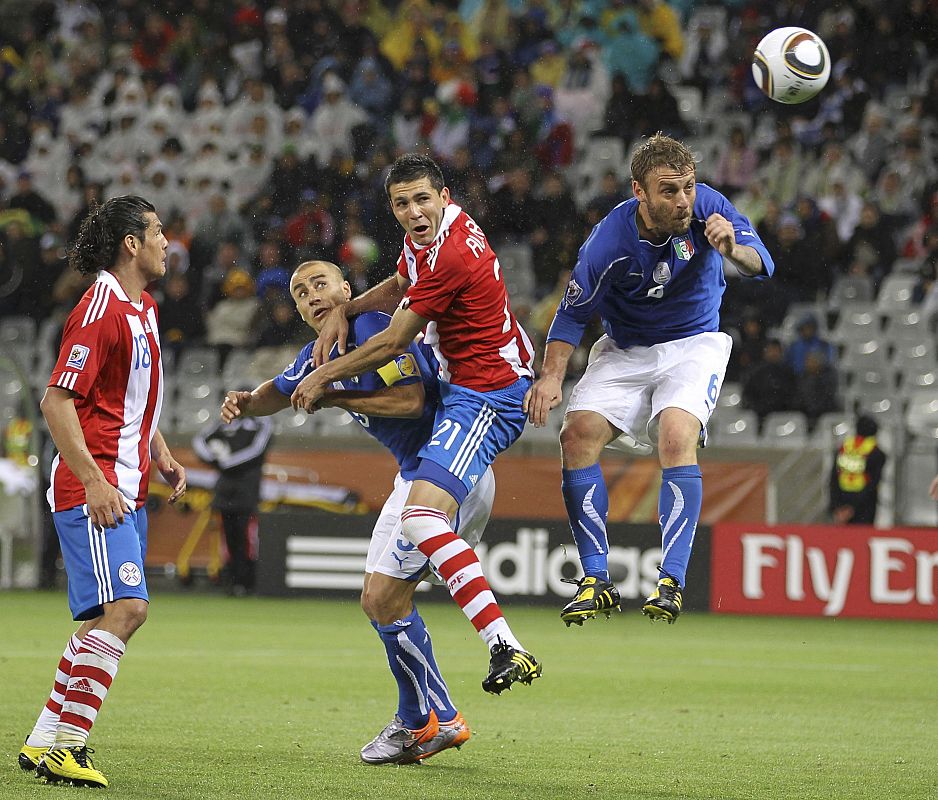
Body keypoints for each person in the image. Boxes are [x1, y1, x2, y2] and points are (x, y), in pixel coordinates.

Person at [221, 259, 492, 764]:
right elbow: (275, 395)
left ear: (346, 289)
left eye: (320, 284)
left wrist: (334, 394)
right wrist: (243, 400)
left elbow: (412, 401)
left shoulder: (373, 327)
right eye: (301, 292)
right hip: (412, 477)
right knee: (378, 599)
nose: (311, 296)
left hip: (450, 472)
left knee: (386, 597)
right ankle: (432, 719)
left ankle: (428, 720)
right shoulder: (315, 355)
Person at [299, 153, 541, 695]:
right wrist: (347, 306)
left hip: (489, 393)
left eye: (421, 200)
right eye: (402, 203)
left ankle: (506, 644)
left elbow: (392, 340)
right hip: (470, 389)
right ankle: (428, 715)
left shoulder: (450, 255)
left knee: (421, 516)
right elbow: (400, 283)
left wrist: (324, 381)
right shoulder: (430, 240)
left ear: (444, 197)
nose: (413, 211)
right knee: (389, 577)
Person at [525, 133, 774, 626]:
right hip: (626, 350)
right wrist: (551, 377)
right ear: (639, 192)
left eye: (687, 187)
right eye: (669, 191)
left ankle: (672, 579)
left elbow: (762, 264)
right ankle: (595, 578)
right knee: (575, 436)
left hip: (694, 343)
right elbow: (572, 315)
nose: (683, 200)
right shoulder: (608, 243)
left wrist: (731, 247)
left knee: (677, 433)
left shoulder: (710, 209)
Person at [18, 196, 186, 788]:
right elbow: (56, 401)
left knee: (99, 620)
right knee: (128, 610)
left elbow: (128, 398)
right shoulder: (100, 308)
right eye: (160, 232)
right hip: (97, 489)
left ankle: (44, 741)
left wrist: (159, 449)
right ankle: (70, 744)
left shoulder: (143, 308)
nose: (170, 242)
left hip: (129, 486)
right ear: (131, 244)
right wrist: (93, 479)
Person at [192, 405, 273, 595]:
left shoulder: (262, 422)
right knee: (228, 538)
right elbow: (200, 441)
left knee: (247, 538)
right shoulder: (225, 421)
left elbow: (257, 450)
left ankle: (248, 581)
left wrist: (226, 462)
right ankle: (232, 581)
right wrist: (214, 458)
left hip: (248, 491)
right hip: (224, 491)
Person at [830, 415, 886, 525]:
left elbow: (833, 478)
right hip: (864, 506)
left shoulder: (844, 448)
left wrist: (836, 506)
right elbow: (873, 483)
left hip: (842, 501)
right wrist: (852, 508)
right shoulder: (876, 452)